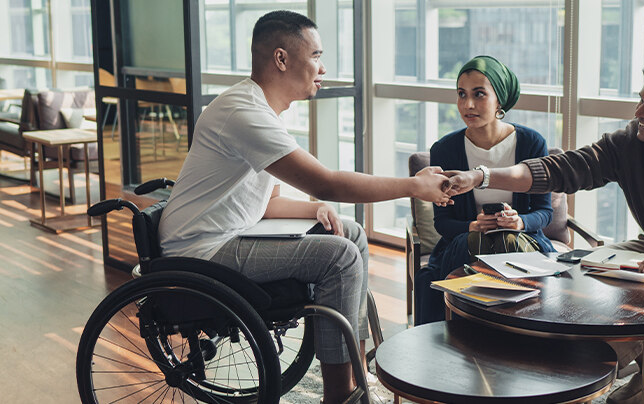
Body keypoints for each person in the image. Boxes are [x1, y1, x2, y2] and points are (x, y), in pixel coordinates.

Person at [158, 10, 451, 404]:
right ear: (281, 59)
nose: (323, 67)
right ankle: (339, 395)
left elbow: (267, 202)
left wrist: (314, 210)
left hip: (225, 236)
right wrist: (414, 186)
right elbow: (325, 181)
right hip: (201, 250)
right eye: (316, 55)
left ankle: (355, 363)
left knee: (351, 232)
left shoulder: (263, 110)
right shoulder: (243, 112)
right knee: (340, 259)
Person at [443, 53, 644, 404]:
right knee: (582, 271)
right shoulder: (631, 143)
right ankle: (590, 374)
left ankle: (620, 371)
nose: (639, 113)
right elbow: (561, 169)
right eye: (640, 101)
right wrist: (483, 175)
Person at [414, 56, 555, 326]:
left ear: (499, 99)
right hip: (465, 244)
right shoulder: (444, 150)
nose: (468, 104)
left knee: (507, 242)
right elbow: (442, 223)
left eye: (479, 94)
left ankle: (488, 334)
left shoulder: (531, 143)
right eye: (461, 95)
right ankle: (507, 333)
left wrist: (521, 222)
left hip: (523, 241)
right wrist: (473, 225)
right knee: (481, 244)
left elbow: (545, 212)